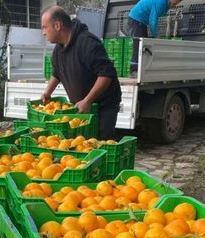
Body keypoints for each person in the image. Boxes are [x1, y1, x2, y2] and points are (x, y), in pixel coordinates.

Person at [40, 6, 122, 140]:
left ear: (57, 26)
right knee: (82, 144)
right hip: (81, 106)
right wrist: (47, 93)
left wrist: (87, 100)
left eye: (45, 27)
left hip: (103, 106)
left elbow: (106, 74)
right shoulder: (58, 50)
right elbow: (57, 73)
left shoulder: (87, 42)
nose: (43, 32)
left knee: (100, 143)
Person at [127, 0, 182, 76]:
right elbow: (152, 20)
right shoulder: (161, 2)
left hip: (140, 22)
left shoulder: (165, 4)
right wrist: (156, 36)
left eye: (178, 2)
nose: (176, 3)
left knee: (144, 46)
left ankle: (141, 70)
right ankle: (133, 71)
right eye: (175, 1)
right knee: (138, 46)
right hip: (136, 19)